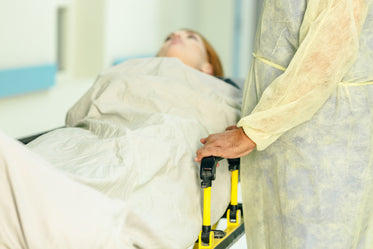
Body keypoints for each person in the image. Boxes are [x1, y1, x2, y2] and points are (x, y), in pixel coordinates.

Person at [0, 29, 242, 249]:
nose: (177, 35)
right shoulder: (127, 71)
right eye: (168, 37)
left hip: (165, 136)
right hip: (86, 136)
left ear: (208, 68)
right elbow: (80, 113)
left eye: (191, 37)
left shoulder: (218, 90)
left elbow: (233, 125)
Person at [195, 0, 373, 248]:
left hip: (320, 143)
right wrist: (257, 121)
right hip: (284, 138)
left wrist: (253, 132)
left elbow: (326, 58)